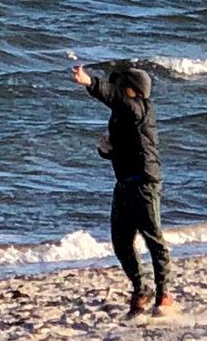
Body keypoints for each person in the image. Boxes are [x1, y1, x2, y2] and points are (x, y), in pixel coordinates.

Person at [67, 55, 172, 316]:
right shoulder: (121, 116)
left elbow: (114, 97)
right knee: (121, 242)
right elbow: (119, 148)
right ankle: (141, 288)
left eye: (121, 86)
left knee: (153, 239)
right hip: (124, 183)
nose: (117, 89)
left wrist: (89, 82)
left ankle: (164, 295)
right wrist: (106, 150)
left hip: (145, 183)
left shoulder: (139, 108)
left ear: (133, 90)